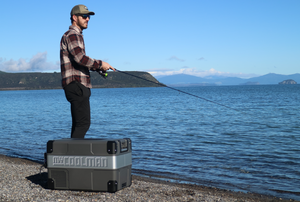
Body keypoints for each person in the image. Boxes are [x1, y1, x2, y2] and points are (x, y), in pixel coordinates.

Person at [60, 4, 115, 138]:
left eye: (88, 16)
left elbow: (79, 61)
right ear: (74, 17)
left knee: (79, 124)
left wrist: (98, 69)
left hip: (75, 85)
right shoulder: (72, 34)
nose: (88, 19)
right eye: (84, 16)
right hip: (77, 84)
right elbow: (80, 58)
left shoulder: (74, 35)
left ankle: (71, 156)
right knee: (83, 124)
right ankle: (73, 157)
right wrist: (100, 64)